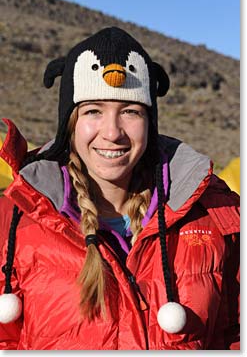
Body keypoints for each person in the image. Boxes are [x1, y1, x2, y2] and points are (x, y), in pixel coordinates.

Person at [0, 27, 240, 350]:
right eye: (93, 110)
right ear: (69, 123)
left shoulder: (216, 216)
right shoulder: (14, 220)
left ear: (149, 123)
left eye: (130, 111)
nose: (112, 132)